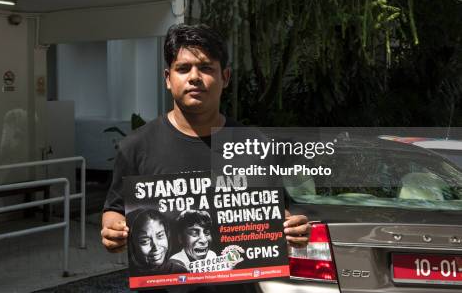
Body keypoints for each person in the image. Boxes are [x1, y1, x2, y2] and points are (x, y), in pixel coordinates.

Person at [101, 24, 310, 291]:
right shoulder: (135, 147)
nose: (195, 77)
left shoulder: (255, 144)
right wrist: (113, 230)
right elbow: (115, 208)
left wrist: (293, 228)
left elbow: (279, 211)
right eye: (183, 68)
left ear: (225, 77)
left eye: (206, 68)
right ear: (167, 78)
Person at [127, 209, 187, 275]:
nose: (156, 246)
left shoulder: (179, 272)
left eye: (160, 236)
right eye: (145, 241)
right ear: (132, 244)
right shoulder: (125, 275)